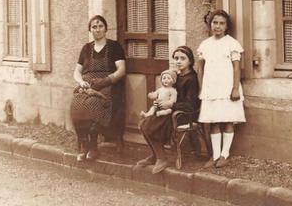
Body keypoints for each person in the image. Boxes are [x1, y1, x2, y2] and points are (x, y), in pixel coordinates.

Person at [70, 15, 126, 161]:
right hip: (88, 85)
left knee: (92, 104)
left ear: (106, 28)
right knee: (76, 105)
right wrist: (81, 82)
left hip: (107, 85)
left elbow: (121, 70)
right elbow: (77, 71)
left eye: (100, 26)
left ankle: (93, 147)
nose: (97, 29)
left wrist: (105, 81)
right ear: (90, 30)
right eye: (94, 27)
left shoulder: (114, 46)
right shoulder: (86, 48)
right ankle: (84, 144)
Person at [137, 46, 200, 174]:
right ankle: (156, 155)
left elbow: (190, 105)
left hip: (183, 114)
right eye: (176, 58)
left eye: (183, 58)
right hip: (170, 111)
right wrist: (159, 101)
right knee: (143, 124)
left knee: (149, 126)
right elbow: (168, 93)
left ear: (190, 61)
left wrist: (170, 106)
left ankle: (162, 158)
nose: (178, 61)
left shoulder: (191, 79)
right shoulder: (176, 76)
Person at [197, 9, 246, 168]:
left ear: (226, 26)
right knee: (213, 121)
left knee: (226, 119)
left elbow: (236, 68)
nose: (218, 26)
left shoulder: (231, 44)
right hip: (211, 88)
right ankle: (215, 155)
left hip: (226, 87)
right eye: (215, 23)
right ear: (210, 24)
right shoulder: (205, 45)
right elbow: (201, 69)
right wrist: (201, 89)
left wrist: (235, 89)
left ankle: (225, 154)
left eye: (221, 23)